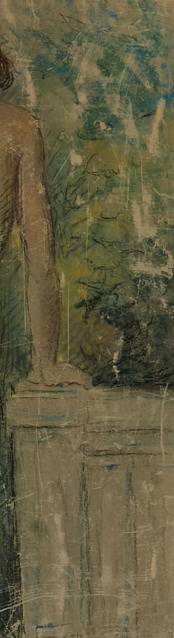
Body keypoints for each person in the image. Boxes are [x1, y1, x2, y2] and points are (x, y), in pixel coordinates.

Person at [0, 28, 68, 378]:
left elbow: (41, 254)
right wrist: (45, 365)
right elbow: (39, 255)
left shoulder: (18, 129)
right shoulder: (18, 129)